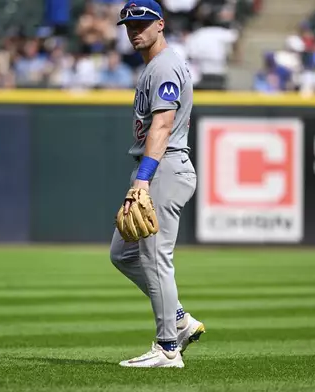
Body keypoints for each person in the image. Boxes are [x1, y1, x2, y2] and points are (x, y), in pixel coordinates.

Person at [110, 0, 204, 368]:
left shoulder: (164, 67)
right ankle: (179, 319)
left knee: (154, 257)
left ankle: (168, 348)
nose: (135, 30)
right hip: (156, 169)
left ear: (160, 24)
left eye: (142, 23)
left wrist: (143, 181)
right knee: (124, 254)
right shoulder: (154, 65)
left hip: (163, 168)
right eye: (128, 25)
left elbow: (162, 128)